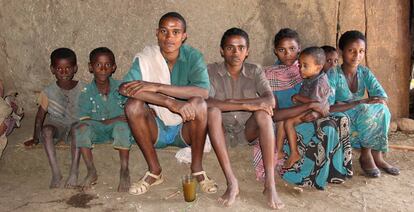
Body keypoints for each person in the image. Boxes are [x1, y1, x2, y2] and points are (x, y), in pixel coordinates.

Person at [120, 12, 217, 196]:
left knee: (200, 104)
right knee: (133, 105)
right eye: (164, 31)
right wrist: (169, 102)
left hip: (184, 127)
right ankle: (155, 171)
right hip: (155, 127)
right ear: (157, 33)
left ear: (184, 36)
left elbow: (203, 92)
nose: (169, 37)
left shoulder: (193, 56)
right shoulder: (147, 57)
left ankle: (197, 168)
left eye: (175, 32)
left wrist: (157, 87)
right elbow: (125, 88)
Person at [263, 28, 352, 189]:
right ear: (275, 51)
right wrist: (313, 107)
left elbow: (324, 100)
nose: (288, 54)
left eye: (292, 49)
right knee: (324, 127)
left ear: (299, 49)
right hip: (287, 117)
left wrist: (320, 110)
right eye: (282, 50)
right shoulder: (269, 74)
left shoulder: (308, 65)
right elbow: (275, 114)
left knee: (341, 119)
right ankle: (303, 171)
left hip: (311, 113)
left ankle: (334, 171)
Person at [207, 28, 284, 209]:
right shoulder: (210, 70)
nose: (236, 53)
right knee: (212, 111)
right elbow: (207, 101)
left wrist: (243, 104)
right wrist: (245, 105)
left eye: (241, 48)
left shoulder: (255, 70)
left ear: (247, 51)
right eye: (230, 48)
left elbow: (269, 100)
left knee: (263, 114)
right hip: (222, 132)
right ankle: (232, 182)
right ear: (221, 50)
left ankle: (270, 184)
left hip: (247, 131)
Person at [327, 30, 399, 178]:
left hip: (361, 114)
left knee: (382, 108)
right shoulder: (333, 74)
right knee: (365, 108)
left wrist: (374, 102)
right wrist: (359, 102)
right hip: (340, 115)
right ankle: (366, 155)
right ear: (341, 52)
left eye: (361, 51)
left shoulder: (364, 72)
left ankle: (378, 157)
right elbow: (328, 107)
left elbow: (381, 95)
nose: (357, 56)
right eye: (351, 51)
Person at [23, 48, 84, 188]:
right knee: (46, 130)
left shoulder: (82, 88)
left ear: (75, 68)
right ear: (52, 69)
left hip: (75, 125)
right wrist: (35, 137)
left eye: (68, 68)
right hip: (58, 126)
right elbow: (40, 117)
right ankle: (56, 173)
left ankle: (74, 171)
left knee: (79, 129)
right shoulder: (48, 91)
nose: (63, 72)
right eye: (59, 69)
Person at [74, 47, 133, 191]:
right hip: (97, 131)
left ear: (113, 67)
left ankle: (124, 171)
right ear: (90, 67)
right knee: (81, 129)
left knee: (122, 126)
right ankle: (91, 170)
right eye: (98, 65)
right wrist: (110, 121)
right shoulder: (86, 93)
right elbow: (84, 120)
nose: (103, 68)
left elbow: (130, 110)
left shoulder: (121, 88)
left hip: (118, 130)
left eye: (107, 65)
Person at [275, 47, 331, 168]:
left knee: (288, 122)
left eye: (305, 66)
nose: (301, 69)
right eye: (300, 65)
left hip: (312, 112)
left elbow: (315, 103)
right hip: (304, 108)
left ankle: (294, 153)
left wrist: (298, 97)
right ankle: (278, 151)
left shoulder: (320, 82)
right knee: (281, 121)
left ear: (318, 67)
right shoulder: (311, 76)